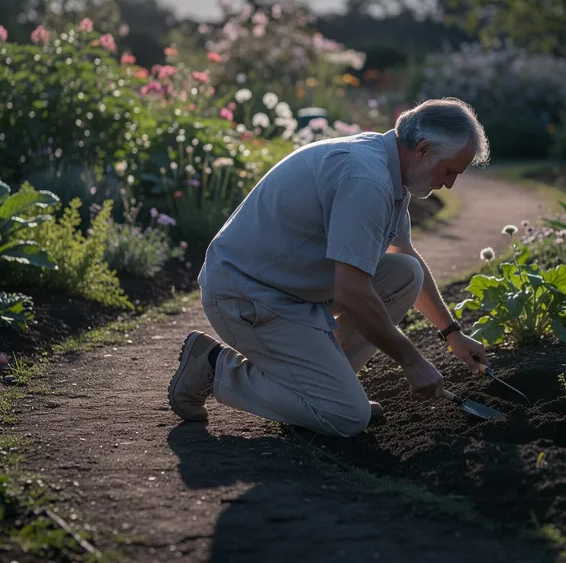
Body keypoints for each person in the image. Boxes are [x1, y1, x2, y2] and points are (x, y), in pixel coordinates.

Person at [167, 97, 492, 437]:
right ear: (423, 150)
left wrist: (452, 334)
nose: (450, 184)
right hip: (247, 295)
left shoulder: (390, 168)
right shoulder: (367, 180)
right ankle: (213, 365)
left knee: (405, 273)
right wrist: (413, 361)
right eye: (450, 171)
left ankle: (327, 389)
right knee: (345, 417)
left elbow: (403, 251)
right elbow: (351, 294)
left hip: (291, 290)